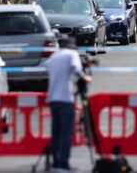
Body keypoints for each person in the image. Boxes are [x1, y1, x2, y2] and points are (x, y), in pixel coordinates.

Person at [45, 38, 91, 173]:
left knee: (56, 132)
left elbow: (46, 67)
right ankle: (63, 165)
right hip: (66, 98)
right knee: (66, 133)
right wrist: (85, 77)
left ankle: (56, 163)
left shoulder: (54, 56)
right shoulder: (72, 55)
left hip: (53, 99)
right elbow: (77, 69)